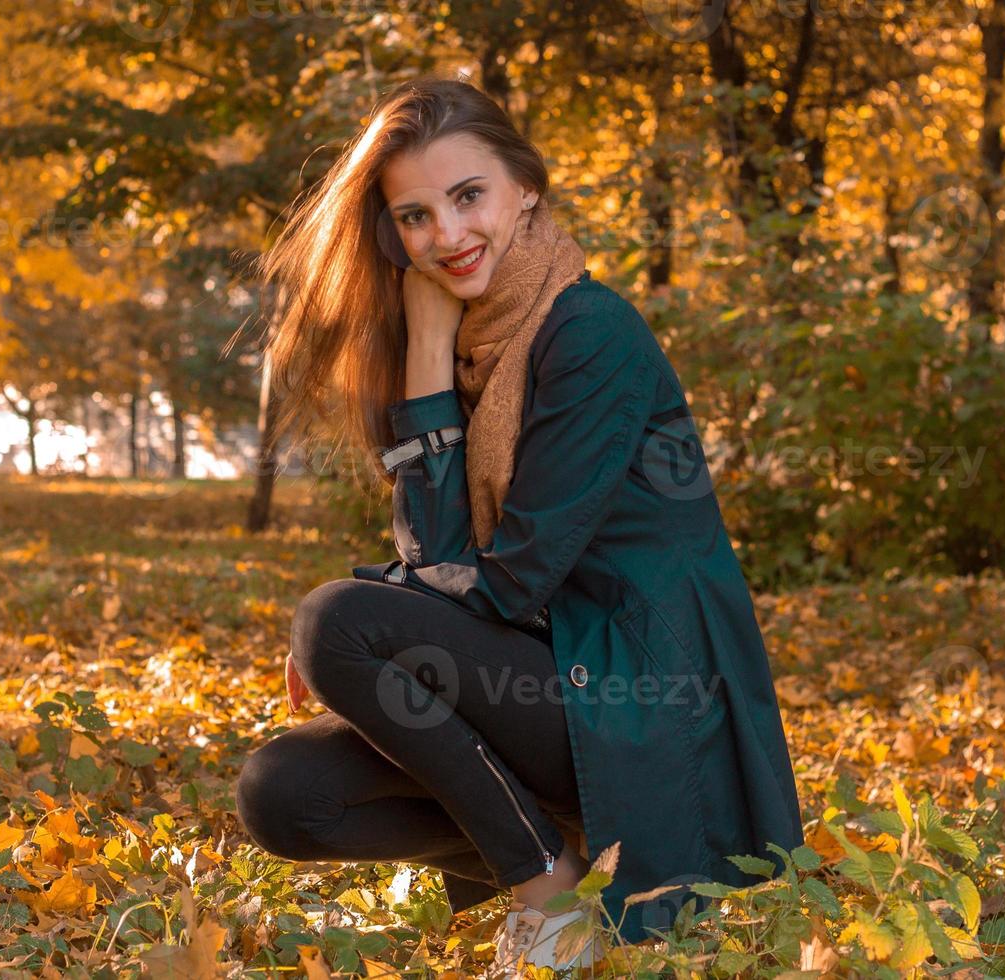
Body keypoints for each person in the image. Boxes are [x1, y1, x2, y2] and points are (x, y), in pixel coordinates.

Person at [233, 74, 803, 974]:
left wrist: (365, 613)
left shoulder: (590, 333)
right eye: (415, 216)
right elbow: (443, 557)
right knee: (282, 794)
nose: (447, 236)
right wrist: (424, 347)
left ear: (525, 186)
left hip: (638, 704)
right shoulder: (464, 344)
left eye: (469, 197)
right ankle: (566, 854)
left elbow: (509, 581)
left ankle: (553, 903)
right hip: (547, 678)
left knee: (334, 620)